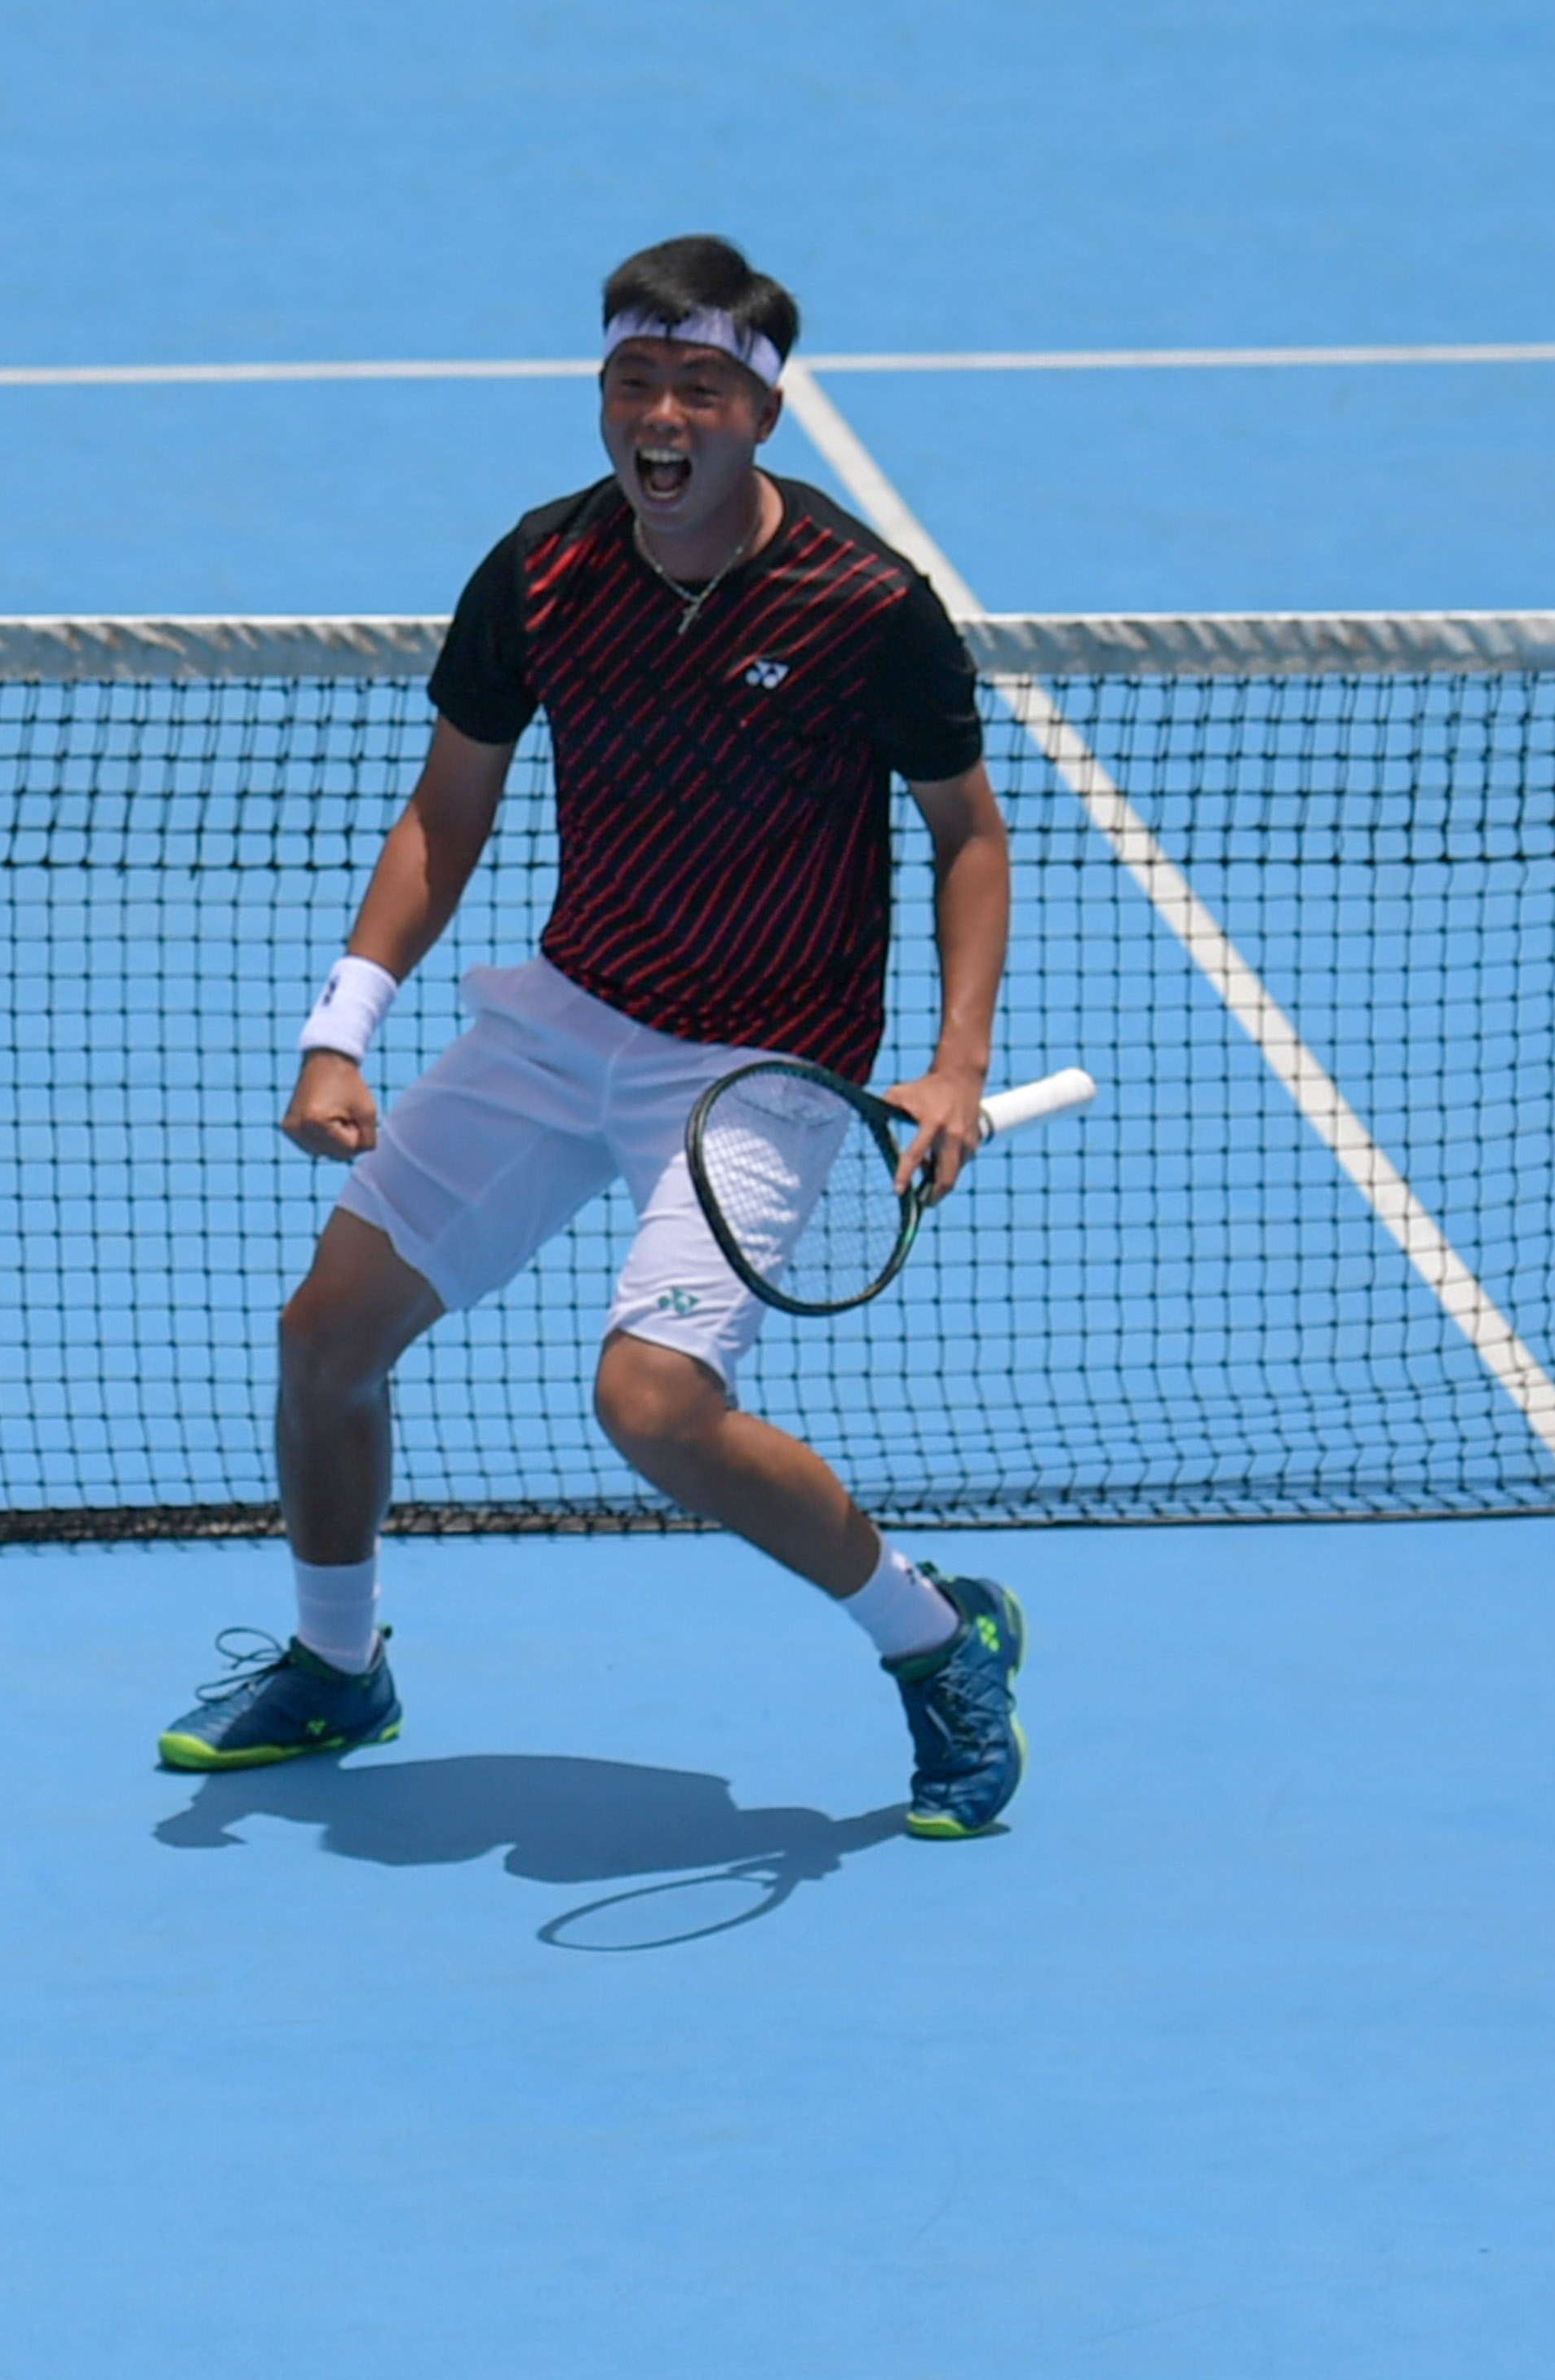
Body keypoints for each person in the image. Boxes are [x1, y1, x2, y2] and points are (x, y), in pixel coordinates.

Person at [157, 233, 1032, 1836]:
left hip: (758, 1065)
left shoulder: (865, 603)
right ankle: (338, 1665)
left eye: (698, 387)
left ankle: (935, 1637)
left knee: (652, 1407)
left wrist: (956, 1064)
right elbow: (446, 813)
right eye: (632, 382)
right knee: (324, 1339)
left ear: (761, 416)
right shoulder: (543, 572)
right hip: (566, 1016)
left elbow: (966, 834)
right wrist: (339, 1029)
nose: (660, 416)